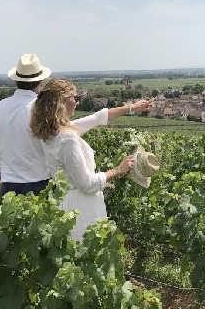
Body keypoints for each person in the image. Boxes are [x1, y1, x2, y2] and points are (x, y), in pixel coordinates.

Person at [30, 77, 154, 241]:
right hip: (82, 207)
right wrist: (118, 170)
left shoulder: (52, 132)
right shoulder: (67, 137)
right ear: (61, 102)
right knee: (88, 252)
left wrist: (132, 107)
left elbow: (97, 118)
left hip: (66, 203)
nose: (78, 102)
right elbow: (87, 184)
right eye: (75, 97)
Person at [0, 53, 53, 196]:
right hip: (42, 184)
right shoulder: (44, 110)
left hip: (9, 185)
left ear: (16, 80)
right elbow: (56, 149)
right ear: (40, 81)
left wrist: (3, 178)